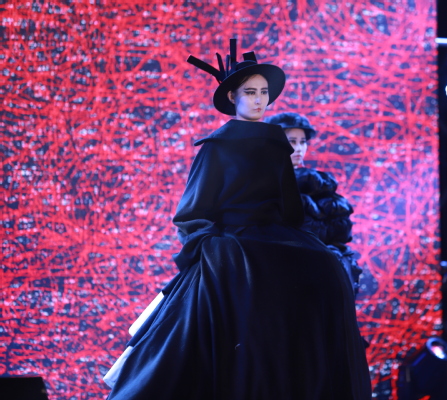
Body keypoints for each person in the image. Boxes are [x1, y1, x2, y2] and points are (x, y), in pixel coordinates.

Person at [103, 39, 371, 400]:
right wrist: (212, 244)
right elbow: (192, 211)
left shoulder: (276, 145)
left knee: (326, 268)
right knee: (232, 291)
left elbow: (290, 210)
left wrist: (291, 236)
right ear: (233, 97)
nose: (259, 100)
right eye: (250, 92)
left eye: (264, 93)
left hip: (275, 237)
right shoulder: (217, 146)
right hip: (228, 243)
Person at [263, 112, 362, 296]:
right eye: (292, 141)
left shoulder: (319, 185)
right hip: (279, 278)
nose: (299, 148)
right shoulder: (259, 185)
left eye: (303, 142)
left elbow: (340, 236)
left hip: (321, 279)